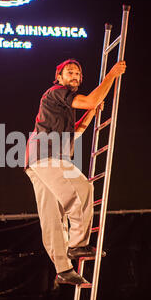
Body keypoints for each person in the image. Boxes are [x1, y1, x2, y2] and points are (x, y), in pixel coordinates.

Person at [25, 59, 126, 285]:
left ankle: (65, 267)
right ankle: (74, 249)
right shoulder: (55, 93)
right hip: (43, 156)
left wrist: (91, 112)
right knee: (68, 200)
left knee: (81, 190)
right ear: (59, 77)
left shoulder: (66, 107)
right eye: (69, 72)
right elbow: (92, 99)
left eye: (78, 73)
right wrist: (112, 74)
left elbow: (76, 130)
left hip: (55, 158)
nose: (74, 75)